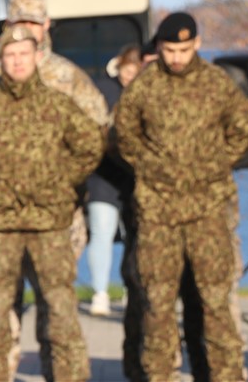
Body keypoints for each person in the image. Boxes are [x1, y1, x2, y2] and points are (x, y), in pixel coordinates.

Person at [0, 0, 109, 381]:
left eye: (25, 51)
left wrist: (63, 183)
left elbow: (92, 139)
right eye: (10, 53)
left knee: (60, 312)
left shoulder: (61, 90)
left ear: (40, 42)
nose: (17, 60)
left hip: (51, 221)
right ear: (0, 54)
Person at [115, 11, 248, 382]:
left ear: (197, 45)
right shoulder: (144, 86)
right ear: (159, 47)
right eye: (169, 50)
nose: (176, 58)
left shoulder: (217, 83)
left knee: (215, 303)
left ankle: (226, 376)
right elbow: (124, 136)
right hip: (158, 212)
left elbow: (243, 130)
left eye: (183, 50)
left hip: (208, 210)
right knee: (158, 305)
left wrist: (212, 164)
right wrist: (152, 166)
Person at [86, 44, 142, 317]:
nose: (129, 76)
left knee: (136, 235)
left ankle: (134, 289)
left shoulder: (147, 91)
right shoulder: (102, 89)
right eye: (126, 70)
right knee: (102, 231)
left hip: (134, 177)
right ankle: (100, 293)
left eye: (134, 71)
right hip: (103, 176)